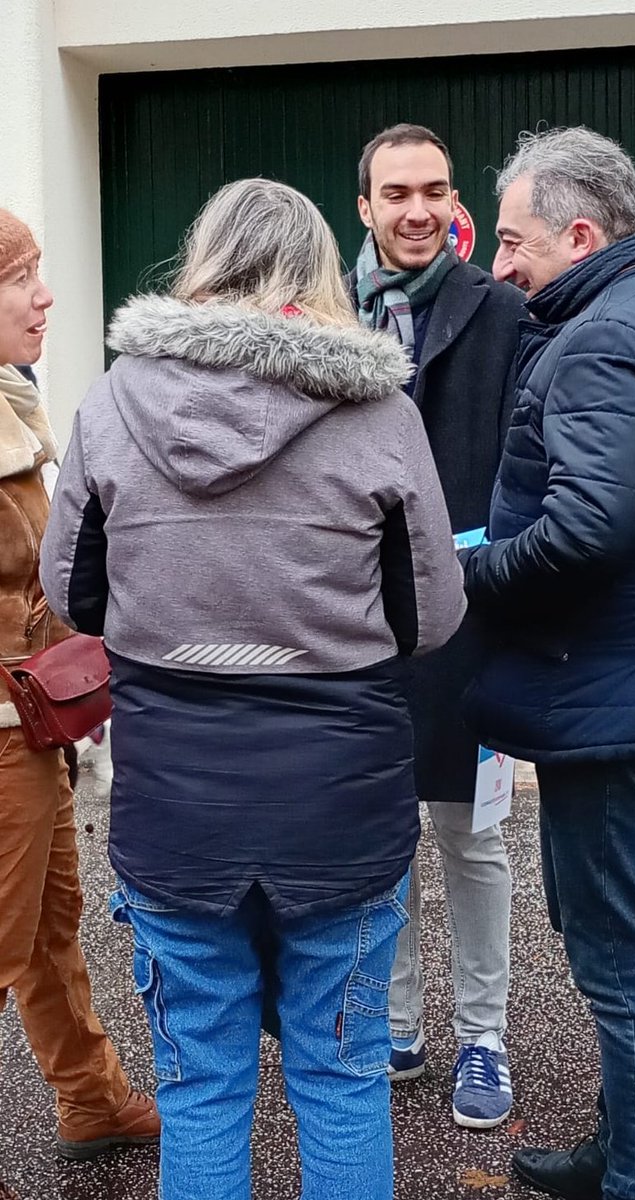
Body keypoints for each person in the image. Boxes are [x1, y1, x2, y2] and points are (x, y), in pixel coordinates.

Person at [40, 178, 466, 1200]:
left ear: (201, 263)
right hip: (340, 806)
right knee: (342, 1075)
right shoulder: (376, 412)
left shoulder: (114, 400)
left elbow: (72, 592)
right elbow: (432, 614)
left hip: (175, 804)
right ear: (316, 270)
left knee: (200, 1087)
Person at [461, 126, 635, 1200]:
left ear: (580, 233)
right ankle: (621, 1153)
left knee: (624, 967)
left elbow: (587, 531)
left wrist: (465, 573)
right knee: (614, 936)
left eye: (515, 241)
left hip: (610, 691)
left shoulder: (601, 343)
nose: (499, 265)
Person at [351, 123, 524, 1129]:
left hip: (466, 612)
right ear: (364, 207)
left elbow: (526, 454)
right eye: (396, 193)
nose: (417, 210)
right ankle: (398, 1026)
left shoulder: (501, 311)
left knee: (470, 836)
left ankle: (484, 1038)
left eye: (434, 190)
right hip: (358, 622)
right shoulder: (324, 319)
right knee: (383, 835)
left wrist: (490, 562)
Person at [0, 209, 160, 1187]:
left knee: (49, 928)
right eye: (19, 276)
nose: (46, 293)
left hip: (32, 725)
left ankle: (90, 1098)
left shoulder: (12, 400)